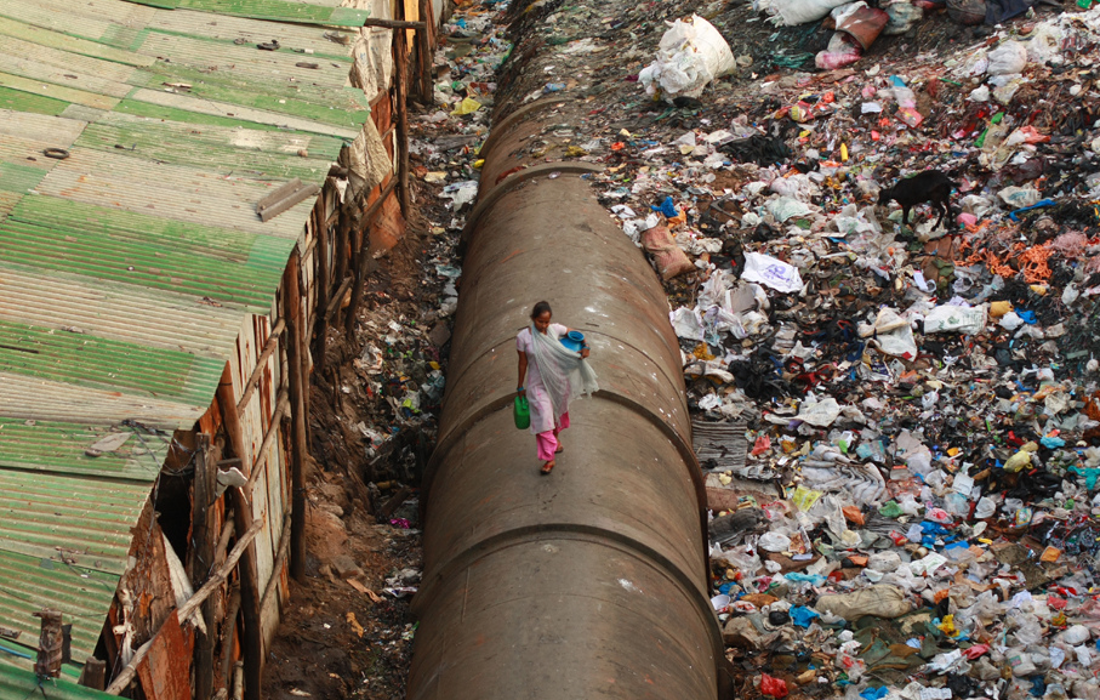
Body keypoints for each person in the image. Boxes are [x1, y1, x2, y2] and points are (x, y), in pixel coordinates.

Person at [516, 301, 599, 474]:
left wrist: (586, 346)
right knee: (544, 421)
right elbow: (523, 362)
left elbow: (576, 334)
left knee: (556, 415)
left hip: (558, 381)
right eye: (540, 321)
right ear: (533, 318)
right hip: (537, 385)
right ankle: (549, 458)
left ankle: (555, 440)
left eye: (546, 322)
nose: (544, 325)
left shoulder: (555, 330)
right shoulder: (523, 337)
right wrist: (519, 386)